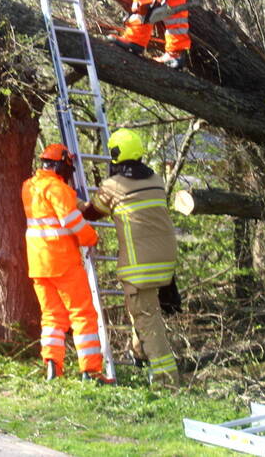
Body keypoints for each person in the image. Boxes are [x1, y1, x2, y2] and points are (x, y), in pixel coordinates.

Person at [81, 128, 180, 386]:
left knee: (147, 319)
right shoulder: (156, 179)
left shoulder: (114, 186)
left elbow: (92, 213)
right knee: (145, 313)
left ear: (115, 154)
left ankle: (167, 382)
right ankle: (137, 352)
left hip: (140, 266)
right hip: (166, 261)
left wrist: (75, 203)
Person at [21, 143, 110, 383]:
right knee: (82, 314)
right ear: (62, 165)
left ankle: (53, 366)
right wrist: (92, 237)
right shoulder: (57, 189)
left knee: (52, 317)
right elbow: (72, 222)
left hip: (38, 264)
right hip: (62, 262)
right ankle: (91, 371)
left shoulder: (28, 187)